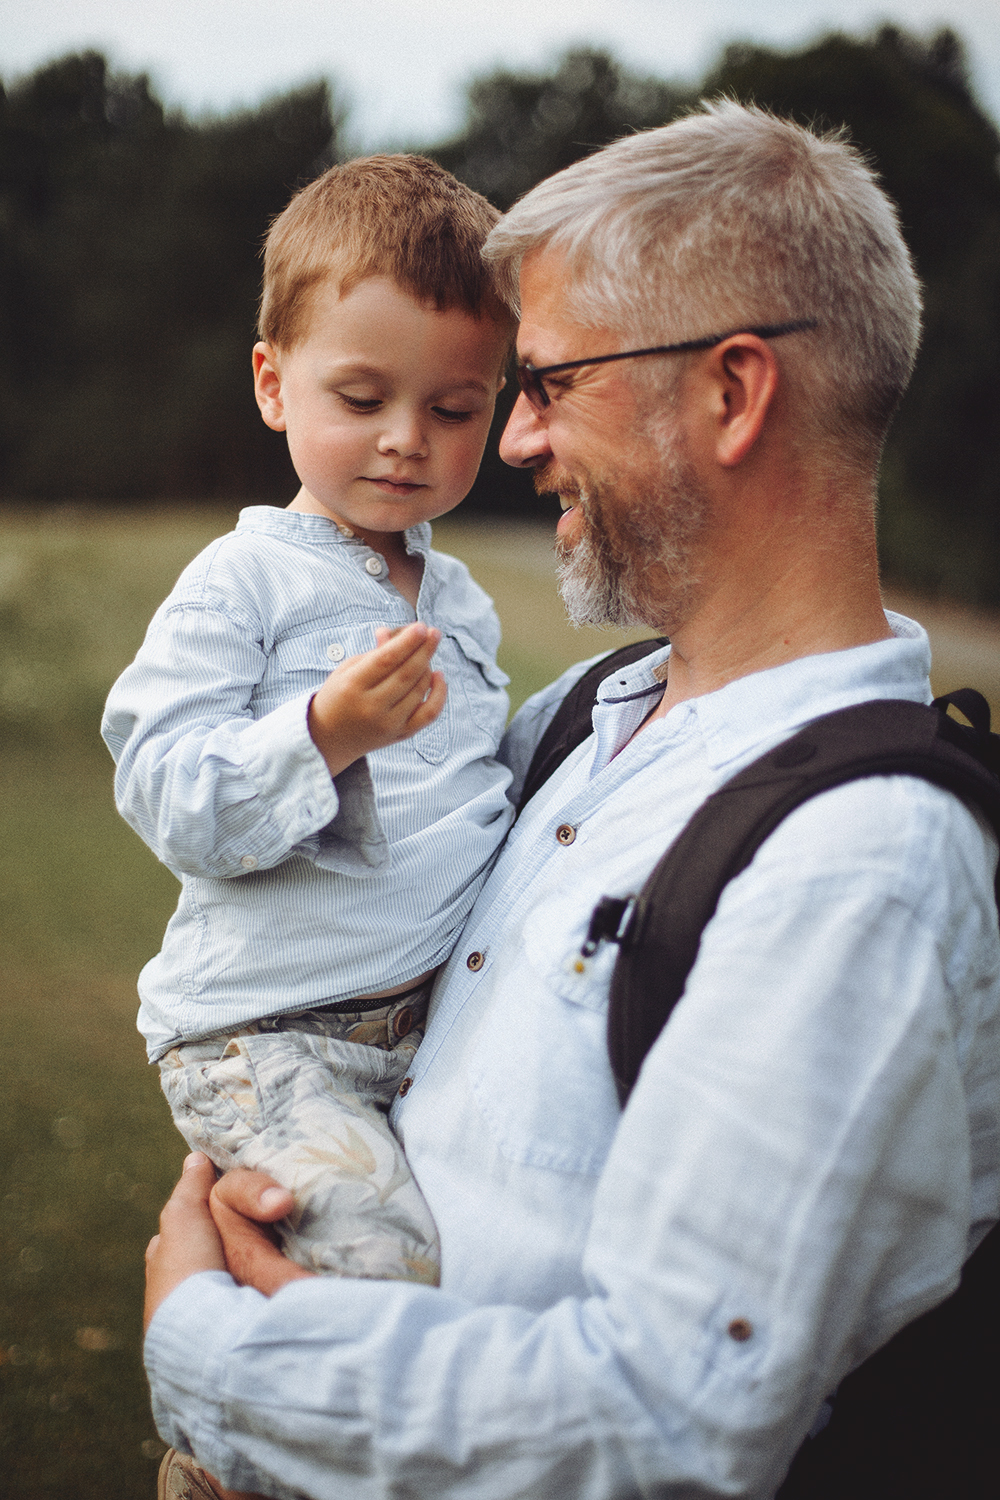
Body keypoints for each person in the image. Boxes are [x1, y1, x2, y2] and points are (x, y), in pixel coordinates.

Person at [142, 103, 1000, 1500]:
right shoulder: (575, 731)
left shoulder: (862, 864)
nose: (518, 439)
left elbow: (670, 1422)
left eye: (544, 381)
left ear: (733, 392)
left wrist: (217, 1354)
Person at [102, 155, 517, 1291]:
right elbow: (166, 789)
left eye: (452, 409)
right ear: (273, 382)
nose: (405, 440)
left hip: (425, 1023)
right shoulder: (241, 583)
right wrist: (323, 732)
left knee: (502, 1246)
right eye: (361, 398)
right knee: (377, 1269)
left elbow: (483, 784)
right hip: (270, 1034)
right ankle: (224, 1464)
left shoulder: (460, 602)